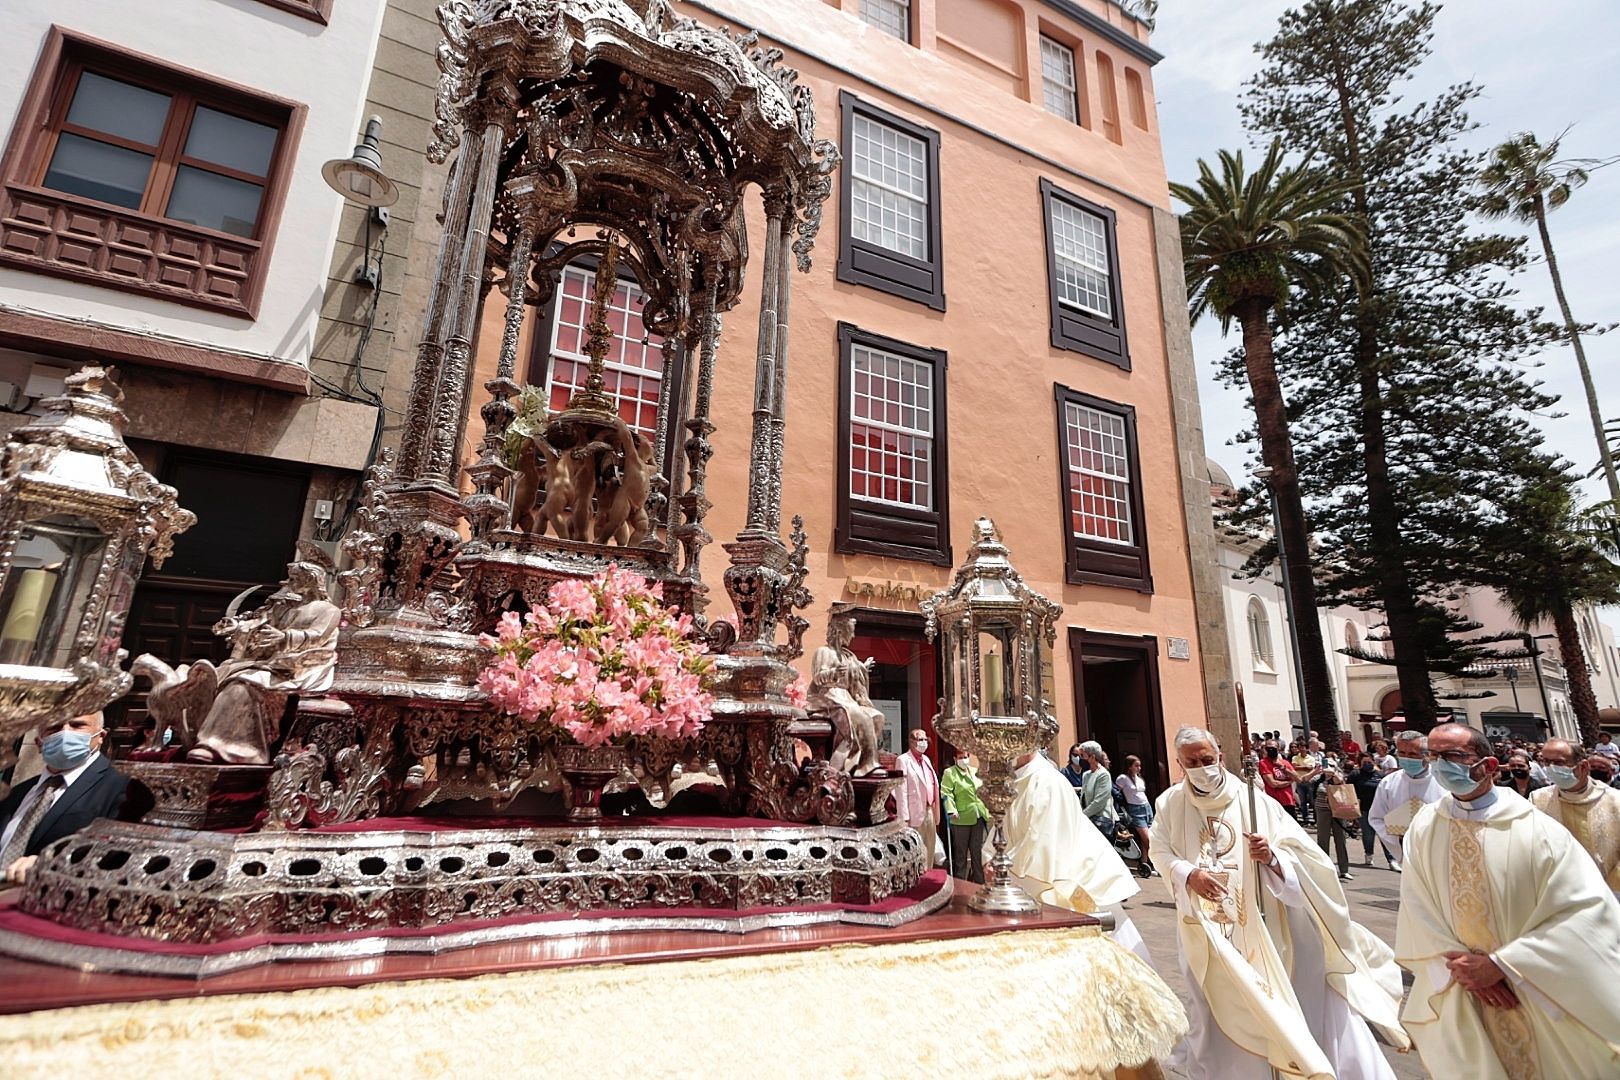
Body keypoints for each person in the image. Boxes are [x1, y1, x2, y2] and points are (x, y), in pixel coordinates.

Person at [1149, 726, 1406, 1079]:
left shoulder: (1254, 801)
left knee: (1279, 1005)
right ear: (1180, 764)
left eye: (1207, 759)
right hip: (1207, 930)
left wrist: (1272, 858)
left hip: (1267, 926)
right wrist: (1187, 873)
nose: (1201, 767)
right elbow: (1159, 849)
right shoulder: (1169, 803)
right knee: (1215, 1012)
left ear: (1220, 756)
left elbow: (1306, 856)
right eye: (1192, 762)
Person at [1395, 723, 1620, 1078]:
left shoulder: (1537, 830)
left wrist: (1503, 965)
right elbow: (1416, 905)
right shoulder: (1425, 825)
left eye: (1453, 756)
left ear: (1488, 766)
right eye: (1433, 755)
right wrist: (1462, 969)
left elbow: (1585, 911)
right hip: (1460, 985)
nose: (1440, 765)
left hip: (1534, 989)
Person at [1003, 749, 1150, 963]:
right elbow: (1006, 827)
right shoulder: (1015, 779)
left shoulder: (1047, 782)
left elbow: (1043, 840)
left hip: (1069, 887)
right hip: (1028, 888)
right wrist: (992, 855)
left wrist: (1002, 863)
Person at [0, 712, 128, 884]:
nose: (65, 733)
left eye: (77, 725)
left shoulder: (123, 789)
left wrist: (52, 866)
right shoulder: (17, 792)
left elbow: (119, 859)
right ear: (39, 743)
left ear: (100, 737)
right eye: (54, 728)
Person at [1532, 738, 1620, 893]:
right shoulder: (1537, 800)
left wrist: (1608, 887)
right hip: (1561, 892)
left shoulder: (1615, 800)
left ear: (1584, 766)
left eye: (1558, 763)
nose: (1550, 768)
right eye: (1546, 762)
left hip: (1611, 890)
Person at [1367, 729, 1442, 872]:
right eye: (1402, 753)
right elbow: (1376, 818)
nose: (1407, 758)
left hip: (1441, 852)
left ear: (1427, 755)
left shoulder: (1443, 780)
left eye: (1413, 754)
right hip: (1408, 854)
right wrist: (1398, 841)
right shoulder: (1388, 783)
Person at [939, 746, 988, 884]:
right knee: (961, 856)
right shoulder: (950, 773)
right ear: (955, 759)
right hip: (960, 818)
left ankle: (979, 884)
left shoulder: (974, 771)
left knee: (977, 854)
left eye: (965, 756)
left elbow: (982, 790)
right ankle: (960, 884)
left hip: (977, 816)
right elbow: (946, 793)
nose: (963, 760)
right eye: (960, 757)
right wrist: (951, 809)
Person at [893, 728, 940, 866]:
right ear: (912, 742)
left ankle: (929, 879)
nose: (924, 743)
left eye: (926, 740)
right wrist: (904, 818)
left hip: (929, 810)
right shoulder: (903, 760)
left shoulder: (926, 759)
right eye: (921, 740)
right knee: (916, 853)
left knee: (929, 849)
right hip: (913, 815)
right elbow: (901, 791)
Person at [1115, 754, 1157, 877]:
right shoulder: (1122, 778)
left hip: (1146, 807)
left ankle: (1145, 863)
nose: (1139, 768)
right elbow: (1116, 793)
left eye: (1139, 766)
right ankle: (1157, 862)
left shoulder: (1139, 778)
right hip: (1135, 809)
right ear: (1129, 767)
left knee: (1147, 839)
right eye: (1136, 766)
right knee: (1147, 838)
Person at [1313, 762, 1354, 881]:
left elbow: (1341, 784)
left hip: (1338, 810)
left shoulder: (1338, 776)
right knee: (1323, 839)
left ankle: (1344, 870)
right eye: (1327, 765)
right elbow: (1305, 780)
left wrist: (1334, 774)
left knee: (1340, 839)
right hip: (1322, 810)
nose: (1328, 768)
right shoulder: (1318, 778)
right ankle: (1324, 868)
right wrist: (1316, 771)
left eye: (1331, 765)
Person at [1350, 752, 1385, 867]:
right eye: (1364, 762)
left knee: (1385, 835)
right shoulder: (1355, 774)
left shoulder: (1380, 775)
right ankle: (1369, 855)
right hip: (1364, 809)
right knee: (1368, 834)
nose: (1367, 764)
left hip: (1381, 809)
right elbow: (1348, 790)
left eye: (1369, 762)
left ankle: (1391, 860)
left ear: (1373, 762)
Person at [1076, 741, 1116, 837]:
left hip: (1100, 821)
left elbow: (1099, 802)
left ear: (1092, 757)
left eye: (1082, 755)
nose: (1080, 759)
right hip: (1088, 821)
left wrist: (1082, 815)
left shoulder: (1103, 775)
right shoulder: (1086, 775)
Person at [1256, 741, 1299, 820]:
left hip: (1288, 801)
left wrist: (1283, 767)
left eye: (1273, 748)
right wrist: (1289, 782)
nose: (1271, 750)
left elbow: (1297, 778)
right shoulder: (1263, 763)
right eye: (1268, 748)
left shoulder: (1284, 762)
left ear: (1278, 749)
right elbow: (1273, 783)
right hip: (1274, 802)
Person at [1292, 739, 1324, 826]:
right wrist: (1305, 767)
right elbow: (1294, 767)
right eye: (1300, 747)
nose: (1302, 749)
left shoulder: (1311, 758)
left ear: (1306, 749)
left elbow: (1311, 768)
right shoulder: (1295, 757)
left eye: (1303, 747)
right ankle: (1305, 818)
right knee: (1302, 801)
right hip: (1299, 781)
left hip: (1310, 781)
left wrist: (1301, 767)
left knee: (1312, 801)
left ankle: (1316, 819)